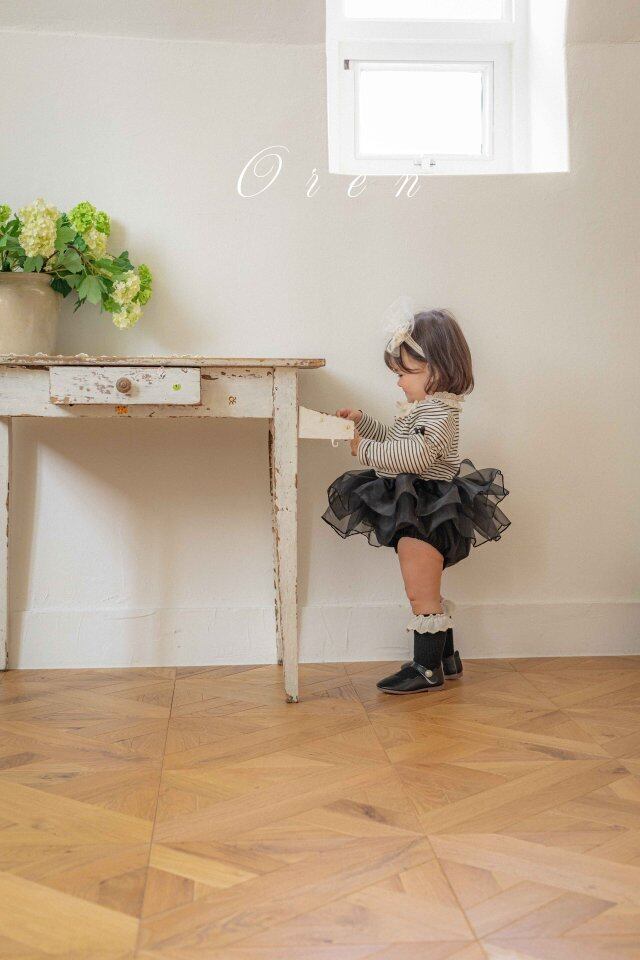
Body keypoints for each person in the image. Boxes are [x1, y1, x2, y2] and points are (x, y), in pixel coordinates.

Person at [321, 304, 511, 695]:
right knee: (428, 588)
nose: (398, 382)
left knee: (420, 592)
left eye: (405, 373)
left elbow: (416, 456)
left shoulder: (439, 413)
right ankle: (447, 658)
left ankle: (426, 668)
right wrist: (363, 422)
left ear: (437, 371)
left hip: (425, 510)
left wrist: (363, 449)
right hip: (422, 506)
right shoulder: (425, 408)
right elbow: (398, 439)